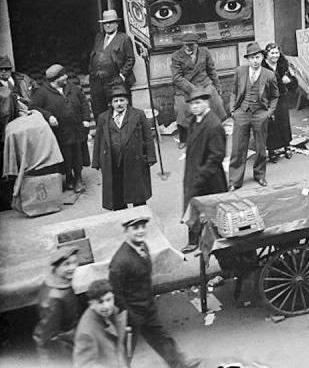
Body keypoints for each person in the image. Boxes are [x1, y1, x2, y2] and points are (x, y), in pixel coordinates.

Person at [108, 216, 199, 368]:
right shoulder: (120, 261)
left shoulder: (142, 247)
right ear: (126, 232)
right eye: (135, 228)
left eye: (143, 227)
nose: (140, 231)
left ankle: (179, 364)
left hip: (147, 308)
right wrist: (129, 315)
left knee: (162, 338)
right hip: (131, 314)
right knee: (125, 350)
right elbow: (115, 293)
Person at [92, 86, 155, 211]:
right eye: (116, 101)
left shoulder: (138, 114)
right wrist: (97, 162)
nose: (119, 104)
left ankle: (140, 212)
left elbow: (148, 137)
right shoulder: (103, 118)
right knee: (116, 190)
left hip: (135, 159)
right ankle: (122, 214)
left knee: (137, 189)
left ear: (127, 101)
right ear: (111, 103)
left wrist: (150, 156)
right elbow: (98, 140)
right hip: (113, 160)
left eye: (122, 100)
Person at [32, 64, 92, 193]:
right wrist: (48, 116)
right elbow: (34, 107)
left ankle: (78, 179)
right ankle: (69, 178)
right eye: (63, 76)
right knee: (66, 156)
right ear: (54, 79)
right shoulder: (42, 92)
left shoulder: (72, 88)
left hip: (76, 129)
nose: (66, 78)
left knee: (78, 156)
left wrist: (86, 119)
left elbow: (84, 103)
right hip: (60, 132)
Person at [181, 89, 228, 254]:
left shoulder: (213, 124)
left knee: (209, 211)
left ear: (207, 103)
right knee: (193, 207)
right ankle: (194, 239)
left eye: (198, 103)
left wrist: (201, 175)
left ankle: (212, 241)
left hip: (209, 178)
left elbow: (217, 155)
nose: (194, 107)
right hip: (194, 172)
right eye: (192, 104)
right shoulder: (195, 121)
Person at [227, 42, 278, 189]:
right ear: (248, 60)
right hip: (241, 113)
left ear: (262, 57)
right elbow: (234, 92)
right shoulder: (240, 71)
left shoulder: (269, 75)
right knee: (237, 147)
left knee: (261, 147)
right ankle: (234, 181)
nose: (255, 61)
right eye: (251, 58)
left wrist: (269, 113)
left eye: (257, 57)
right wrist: (233, 110)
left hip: (260, 114)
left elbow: (275, 96)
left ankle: (260, 175)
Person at [170, 33, 224, 150]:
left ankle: (215, 132)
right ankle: (184, 138)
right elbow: (177, 78)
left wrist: (218, 86)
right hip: (186, 87)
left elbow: (212, 70)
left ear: (196, 44)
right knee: (181, 108)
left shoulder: (205, 52)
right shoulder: (176, 56)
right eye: (186, 45)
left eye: (191, 45)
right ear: (183, 45)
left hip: (204, 83)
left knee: (216, 102)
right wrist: (193, 90)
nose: (189, 48)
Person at [33, 247, 81, 367]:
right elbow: (47, 336)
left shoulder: (61, 282)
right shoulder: (53, 299)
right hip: (63, 349)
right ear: (55, 267)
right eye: (66, 264)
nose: (72, 267)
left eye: (75, 262)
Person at [89, 10, 136, 119]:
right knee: (99, 110)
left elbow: (130, 59)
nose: (108, 25)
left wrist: (122, 75)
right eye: (105, 23)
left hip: (115, 81)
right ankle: (104, 134)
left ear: (117, 24)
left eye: (111, 22)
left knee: (118, 110)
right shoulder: (99, 37)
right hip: (98, 81)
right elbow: (93, 55)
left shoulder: (124, 38)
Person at [73, 279, 130, 368]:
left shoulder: (113, 312)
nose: (106, 306)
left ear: (113, 297)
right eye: (100, 302)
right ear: (91, 304)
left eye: (108, 299)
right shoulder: (86, 333)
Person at [263, 43, 294, 162]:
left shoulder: (283, 65)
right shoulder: (263, 66)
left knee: (284, 121)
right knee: (271, 124)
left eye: (277, 53)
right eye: (272, 53)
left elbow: (293, 81)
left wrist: (289, 81)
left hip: (281, 98)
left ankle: (287, 146)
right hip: (268, 99)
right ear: (267, 54)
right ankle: (272, 150)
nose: (275, 55)